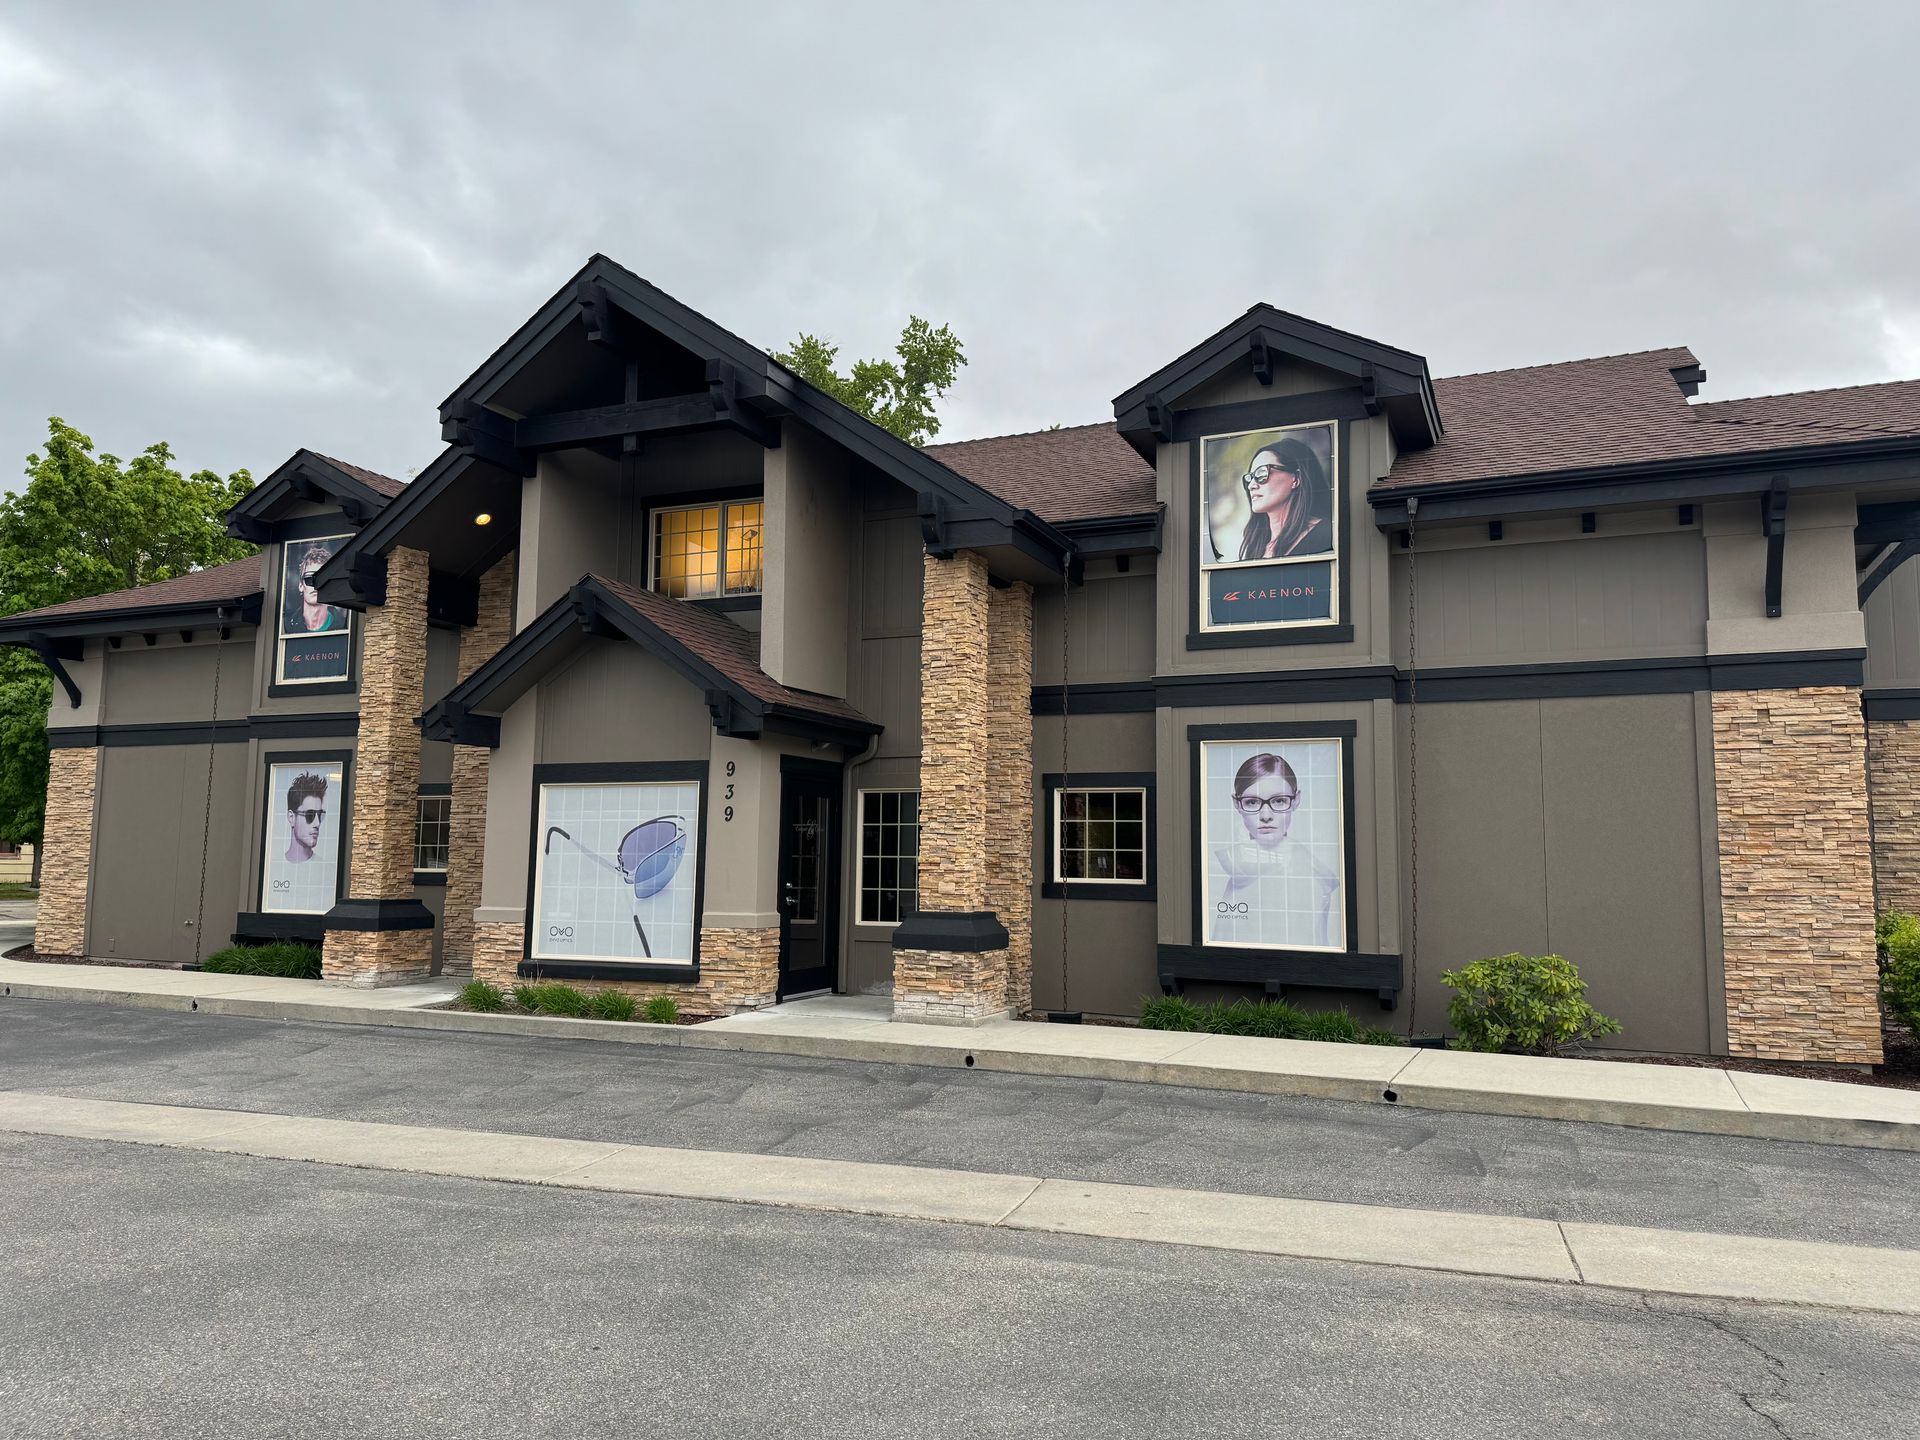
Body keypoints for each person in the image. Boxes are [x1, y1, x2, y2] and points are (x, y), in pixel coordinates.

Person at [1210, 751, 1340, 947]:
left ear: (1296, 800)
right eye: (1252, 802)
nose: (1266, 815)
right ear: (1237, 804)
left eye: (1279, 800)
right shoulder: (1234, 867)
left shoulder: (1310, 875)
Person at [1235, 436, 1333, 561]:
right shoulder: (1255, 546)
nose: (1251, 486)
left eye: (1262, 473)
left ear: (1296, 479)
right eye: (1249, 478)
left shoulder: (1327, 534)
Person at [287, 542, 344, 635]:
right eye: (309, 578)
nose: (315, 585)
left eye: (322, 579)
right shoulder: (289, 626)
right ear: (301, 585)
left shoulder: (342, 625)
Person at [284, 772, 328, 866]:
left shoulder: (327, 869)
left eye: (319, 815)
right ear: (291, 817)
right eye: (310, 815)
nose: (317, 823)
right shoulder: (272, 865)